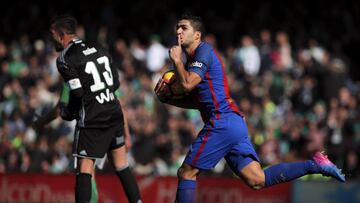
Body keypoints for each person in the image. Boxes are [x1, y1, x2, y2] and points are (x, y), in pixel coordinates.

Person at [155, 14, 345, 203]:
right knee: (257, 179)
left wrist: (177, 61)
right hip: (232, 122)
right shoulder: (193, 61)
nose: (178, 31)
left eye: (184, 27)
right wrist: (169, 100)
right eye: (177, 27)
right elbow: (199, 102)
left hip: (222, 121)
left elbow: (187, 85)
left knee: (186, 172)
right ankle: (316, 165)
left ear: (197, 35)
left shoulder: (203, 52)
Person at [49, 15, 141, 203]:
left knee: (84, 168)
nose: (51, 40)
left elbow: (77, 92)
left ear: (61, 35)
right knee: (122, 165)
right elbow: (115, 84)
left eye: (52, 35)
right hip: (113, 112)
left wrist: (70, 112)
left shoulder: (65, 58)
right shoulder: (100, 48)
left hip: (93, 118)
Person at [32, 83, 133, 203]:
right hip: (109, 127)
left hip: (89, 130)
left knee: (86, 173)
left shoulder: (71, 74)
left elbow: (59, 109)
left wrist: (41, 121)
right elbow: (119, 104)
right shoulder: (102, 68)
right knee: (115, 168)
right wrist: (126, 134)